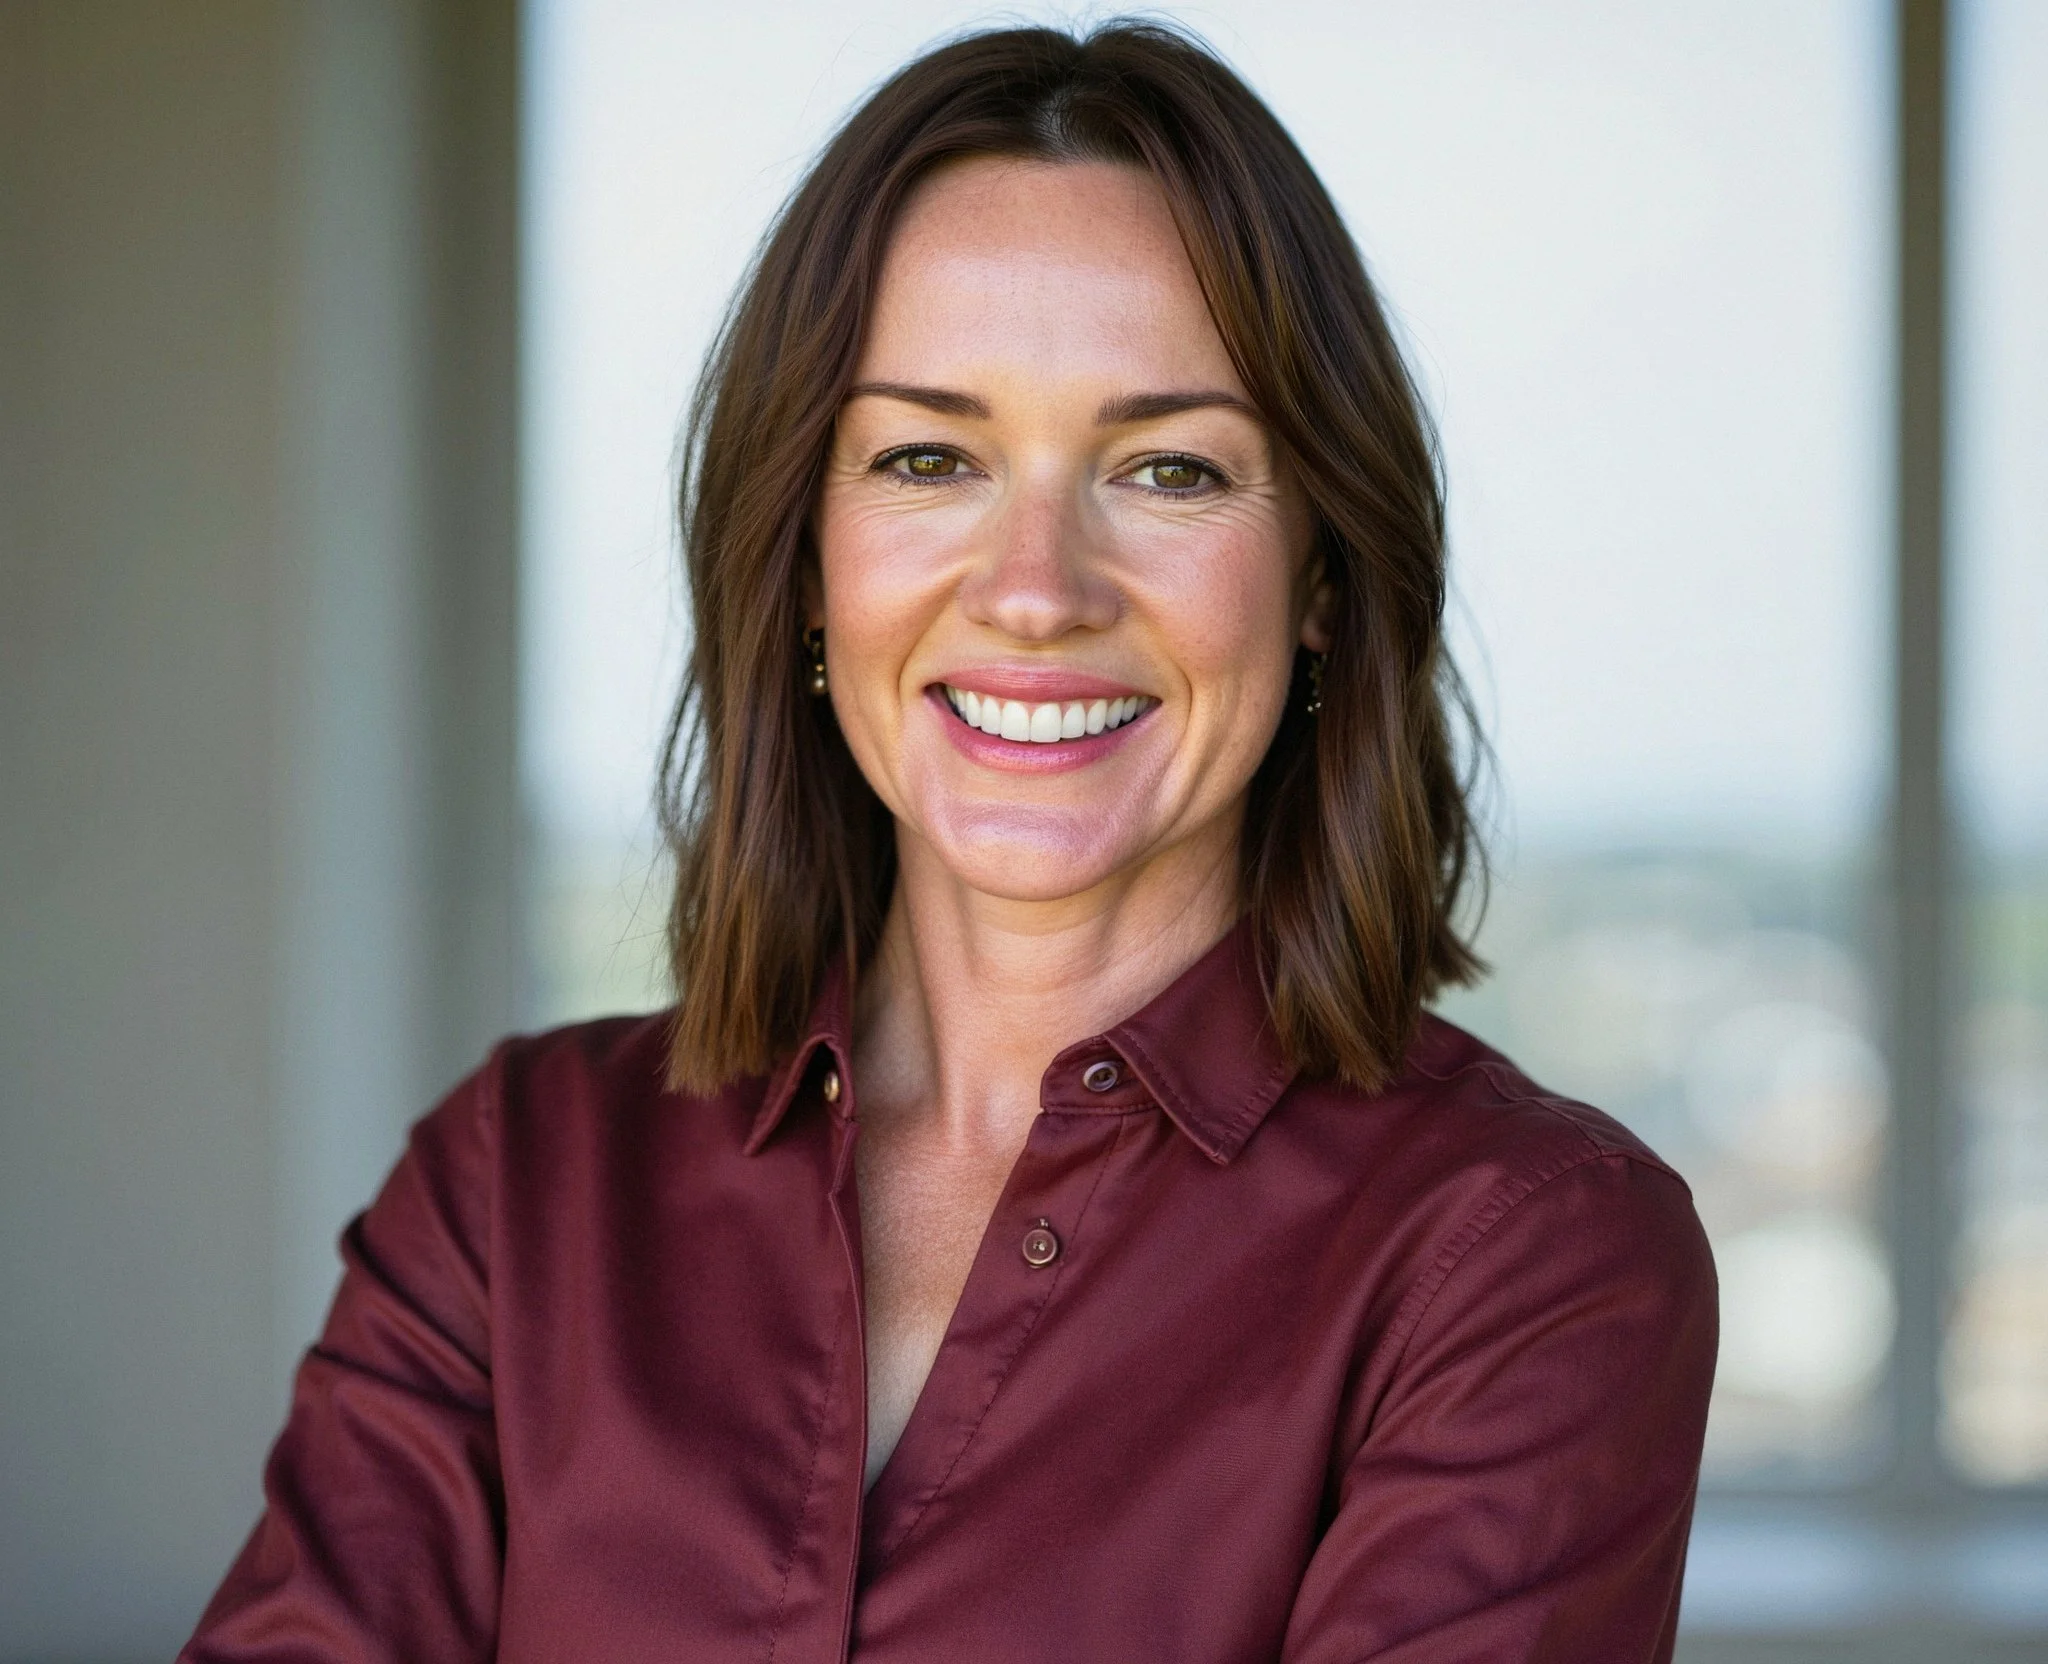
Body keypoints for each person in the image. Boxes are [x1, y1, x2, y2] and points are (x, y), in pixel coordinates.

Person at [184, 21, 1716, 1662]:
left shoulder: (1525, 1259)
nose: (1036, 587)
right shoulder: (514, 1192)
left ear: (1325, 580)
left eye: (1169, 468)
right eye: (930, 456)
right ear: (806, 563)